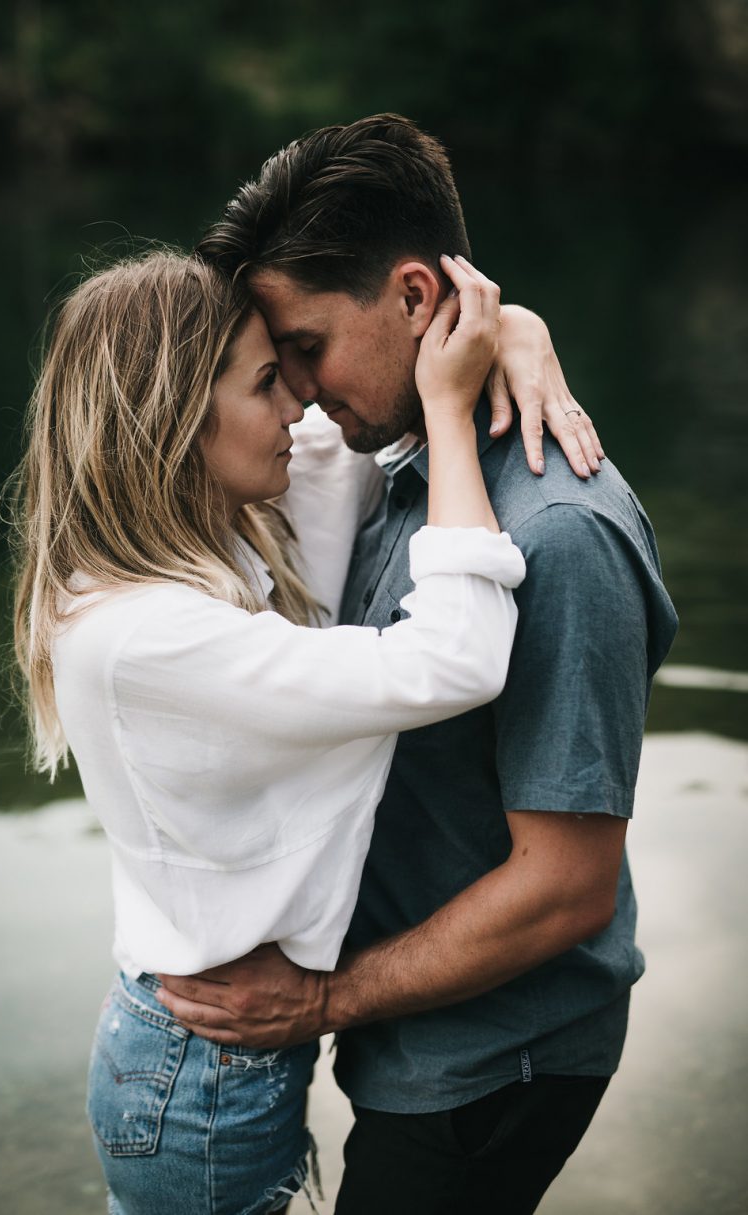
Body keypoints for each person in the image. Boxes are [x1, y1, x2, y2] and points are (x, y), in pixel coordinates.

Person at [7, 244, 602, 1215]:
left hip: (222, 1059)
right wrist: (452, 416)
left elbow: (373, 405)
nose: (299, 407)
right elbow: (455, 658)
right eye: (265, 384)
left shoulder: (235, 525)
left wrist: (517, 334)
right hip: (195, 1076)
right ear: (175, 422)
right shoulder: (144, 635)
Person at [157, 114, 680, 1214]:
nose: (294, 387)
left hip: (498, 1062)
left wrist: (317, 1002)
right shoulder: (405, 460)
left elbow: (567, 887)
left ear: (411, 299)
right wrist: (515, 325)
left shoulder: (559, 536)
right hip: (421, 1040)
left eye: (305, 345)